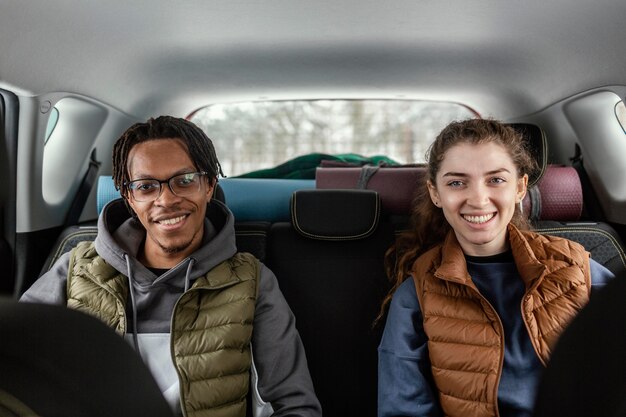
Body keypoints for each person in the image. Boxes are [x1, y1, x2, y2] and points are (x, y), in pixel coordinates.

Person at [21, 116, 322, 417]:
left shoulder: (251, 282)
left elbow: (294, 406)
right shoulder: (75, 271)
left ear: (209, 185)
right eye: (146, 186)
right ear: (129, 197)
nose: (166, 200)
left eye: (185, 180)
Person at [376, 119, 613, 417]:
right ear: (436, 193)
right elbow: (402, 410)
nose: (478, 200)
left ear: (520, 187)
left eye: (496, 180)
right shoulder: (417, 294)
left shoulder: (576, 268)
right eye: (456, 182)